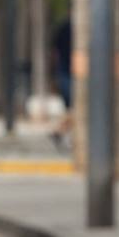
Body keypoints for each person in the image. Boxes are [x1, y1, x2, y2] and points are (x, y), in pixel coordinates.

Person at [51, 16, 73, 151]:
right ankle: (58, 130)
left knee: (72, 108)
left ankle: (59, 131)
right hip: (67, 73)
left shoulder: (64, 27)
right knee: (74, 107)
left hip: (64, 72)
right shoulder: (66, 28)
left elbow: (55, 52)